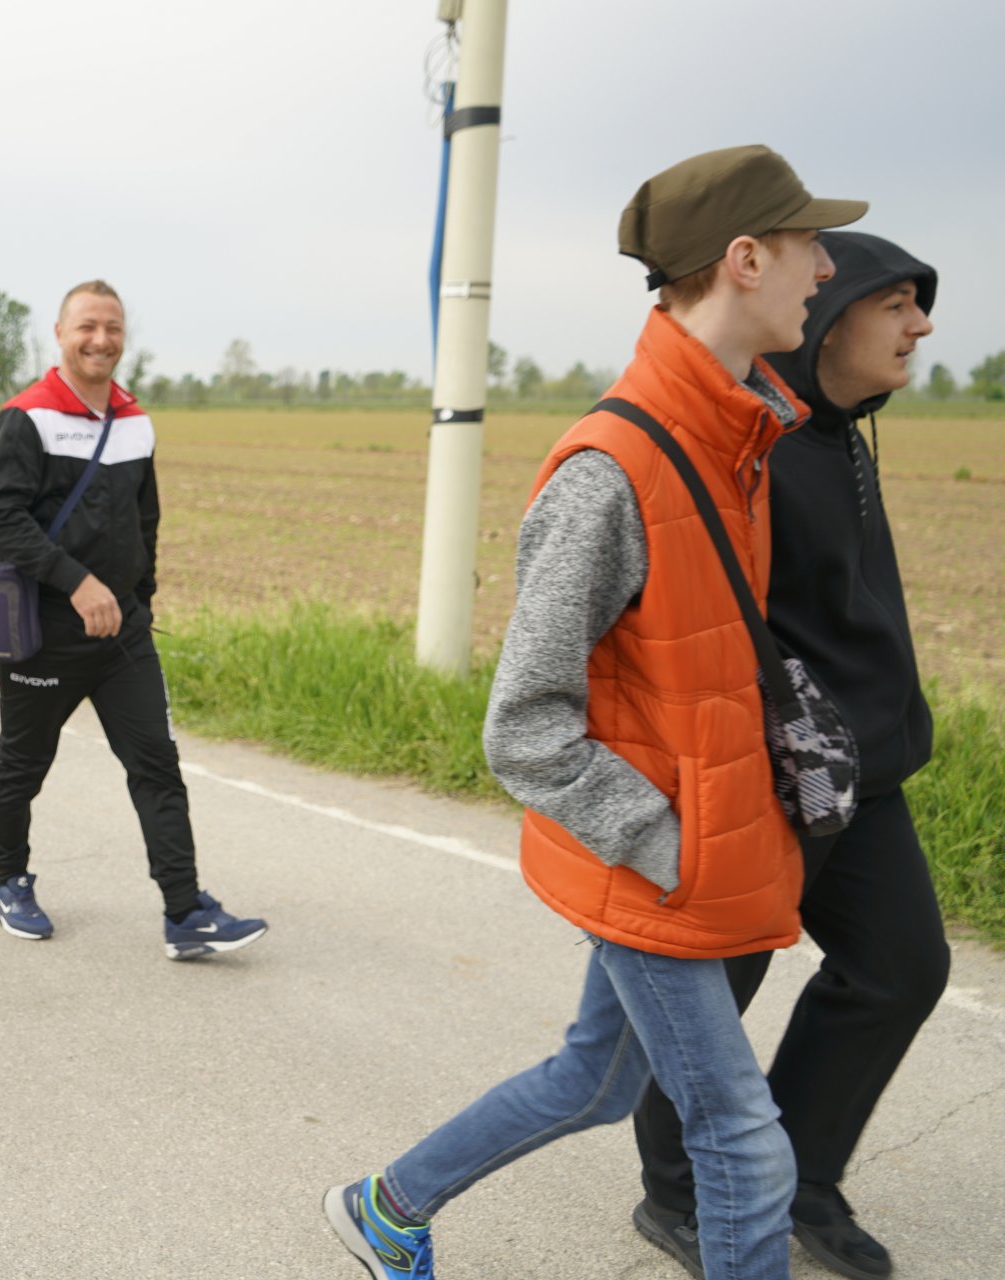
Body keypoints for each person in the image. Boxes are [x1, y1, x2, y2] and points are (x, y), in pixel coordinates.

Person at [322, 145, 862, 1280]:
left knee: (598, 1077)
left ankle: (386, 1205)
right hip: (653, 860)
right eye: (809, 243)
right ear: (745, 257)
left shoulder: (735, 439)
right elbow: (523, 724)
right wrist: (666, 843)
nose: (826, 268)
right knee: (746, 1146)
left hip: (686, 846)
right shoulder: (612, 471)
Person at [628, 231, 950, 1280]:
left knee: (901, 968)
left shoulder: (846, 433)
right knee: (713, 998)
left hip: (868, 774)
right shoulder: (751, 442)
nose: (921, 325)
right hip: (768, 778)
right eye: (896, 303)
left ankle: (802, 1174)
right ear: (830, 316)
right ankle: (680, 1191)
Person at [0, 280, 267, 958]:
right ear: (60, 333)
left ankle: (184, 911)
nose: (100, 339)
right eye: (87, 326)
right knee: (23, 764)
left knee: (156, 765)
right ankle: (10, 880)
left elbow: (145, 521)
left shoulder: (136, 422)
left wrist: (141, 601)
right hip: (46, 631)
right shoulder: (26, 417)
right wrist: (77, 583)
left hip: (123, 634)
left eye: (112, 327)